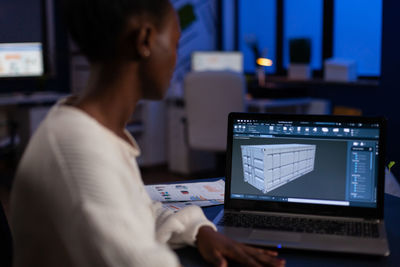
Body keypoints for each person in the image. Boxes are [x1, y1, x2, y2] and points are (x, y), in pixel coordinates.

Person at [10, 0, 285, 266]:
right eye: (175, 44)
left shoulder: (84, 128)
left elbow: (136, 208)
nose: (176, 58)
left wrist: (200, 230)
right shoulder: (79, 152)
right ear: (145, 40)